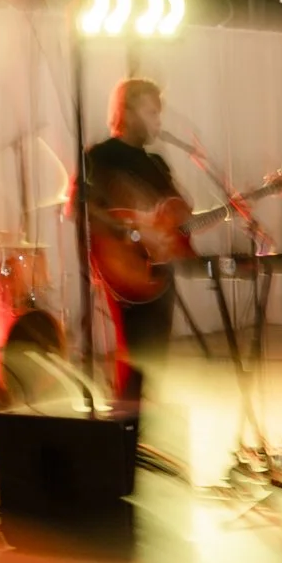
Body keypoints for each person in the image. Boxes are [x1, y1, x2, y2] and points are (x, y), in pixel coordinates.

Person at [80, 78, 184, 381]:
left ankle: (141, 409)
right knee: (136, 357)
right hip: (124, 264)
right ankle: (128, 408)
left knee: (156, 358)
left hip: (159, 266)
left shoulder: (157, 164)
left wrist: (227, 210)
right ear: (126, 112)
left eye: (158, 113)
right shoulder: (99, 156)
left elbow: (174, 214)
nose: (158, 121)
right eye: (151, 112)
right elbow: (81, 206)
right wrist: (133, 233)